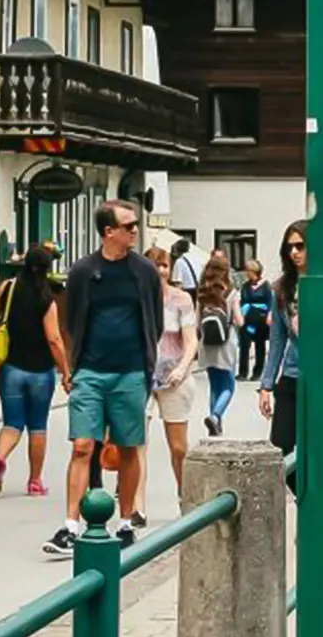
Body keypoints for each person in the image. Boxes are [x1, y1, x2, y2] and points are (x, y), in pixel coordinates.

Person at [44, 200, 162, 555]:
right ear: (108, 232)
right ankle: (70, 525)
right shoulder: (83, 271)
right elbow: (69, 321)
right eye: (128, 226)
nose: (135, 231)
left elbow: (154, 321)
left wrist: (144, 365)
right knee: (82, 446)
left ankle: (125, 523)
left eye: (136, 225)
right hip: (91, 372)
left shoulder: (143, 272)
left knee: (127, 447)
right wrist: (72, 368)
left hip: (130, 372)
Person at [258, 220, 323, 493]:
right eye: (289, 247)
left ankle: (321, 513)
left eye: (300, 246)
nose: (294, 253)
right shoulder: (281, 289)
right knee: (282, 444)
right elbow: (277, 340)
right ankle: (309, 498)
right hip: (293, 373)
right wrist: (266, 385)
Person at [0, 244, 69, 497]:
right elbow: (54, 339)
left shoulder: (8, 288)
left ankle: (0, 457)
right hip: (41, 372)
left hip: (12, 369)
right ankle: (35, 481)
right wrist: (65, 372)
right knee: (38, 426)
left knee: (12, 424)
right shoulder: (47, 298)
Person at [147, 246, 200, 503]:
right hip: (142, 376)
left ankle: (184, 494)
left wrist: (181, 368)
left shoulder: (182, 299)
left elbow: (191, 340)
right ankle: (136, 508)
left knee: (178, 447)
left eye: (165, 264)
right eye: (155, 264)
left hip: (174, 377)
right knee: (135, 446)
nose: (160, 270)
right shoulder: (137, 297)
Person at [196, 251, 242, 436]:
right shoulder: (231, 293)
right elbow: (239, 321)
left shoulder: (202, 293)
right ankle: (215, 416)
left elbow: (198, 321)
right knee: (229, 386)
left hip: (207, 343)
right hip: (226, 343)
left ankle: (215, 423)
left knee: (215, 384)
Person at [238, 259, 272, 381]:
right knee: (244, 345)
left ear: (254, 271)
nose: (246, 273)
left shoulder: (265, 285)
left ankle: (257, 372)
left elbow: (270, 302)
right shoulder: (245, 286)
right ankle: (242, 372)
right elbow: (242, 301)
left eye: (248, 270)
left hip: (260, 319)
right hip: (247, 318)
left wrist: (269, 315)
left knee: (260, 345)